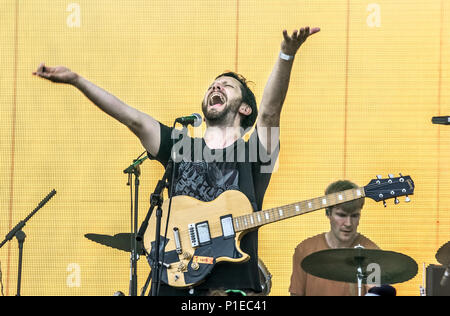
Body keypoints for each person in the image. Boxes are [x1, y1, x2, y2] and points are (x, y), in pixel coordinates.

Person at [33, 26, 320, 295]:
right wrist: (76, 80)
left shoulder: (254, 154)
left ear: (245, 107)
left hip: (233, 288)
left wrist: (286, 54)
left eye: (227, 86)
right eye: (212, 85)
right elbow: (132, 118)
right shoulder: (180, 145)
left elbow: (270, 112)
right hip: (174, 282)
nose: (215, 87)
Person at [289, 180, 380, 296]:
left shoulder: (373, 252)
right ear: (328, 213)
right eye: (341, 215)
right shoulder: (305, 249)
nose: (348, 223)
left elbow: (376, 292)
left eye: (354, 216)